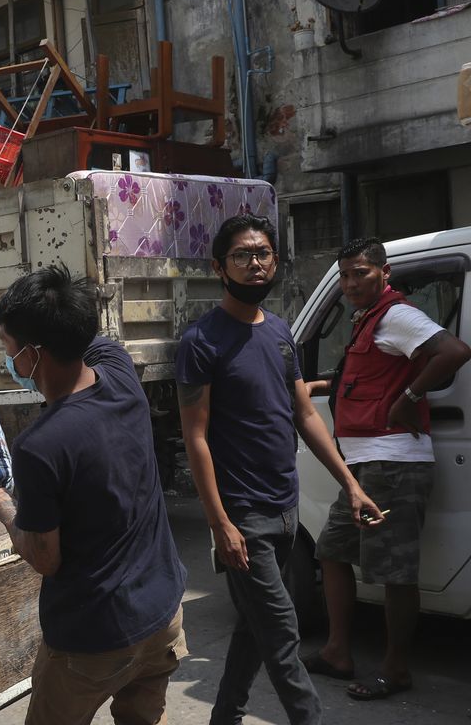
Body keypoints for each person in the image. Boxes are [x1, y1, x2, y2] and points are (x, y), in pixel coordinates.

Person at [0, 227, 187, 725]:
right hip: (163, 616)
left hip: (94, 639)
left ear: (32, 354)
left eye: (7, 344)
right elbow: (40, 324)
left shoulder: (42, 446)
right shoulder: (117, 369)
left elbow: (45, 558)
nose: (6, 352)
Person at [176, 214, 382, 725]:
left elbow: (304, 414)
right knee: (284, 634)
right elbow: (195, 438)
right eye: (242, 255)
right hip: (243, 517)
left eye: (263, 253)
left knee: (254, 625)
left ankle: (224, 716)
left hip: (286, 510)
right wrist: (219, 523)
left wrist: (351, 484)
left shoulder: (282, 333)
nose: (255, 264)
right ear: (219, 267)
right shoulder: (201, 341)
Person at [302, 237, 470, 701]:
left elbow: (454, 351)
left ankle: (396, 670)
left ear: (384, 273)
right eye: (346, 275)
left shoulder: (397, 314)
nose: (352, 283)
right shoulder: (369, 321)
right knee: (331, 550)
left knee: (395, 573)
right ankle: (338, 651)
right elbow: (373, 373)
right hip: (363, 468)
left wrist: (409, 398)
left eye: (361, 273)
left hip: (392, 463)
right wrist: (321, 382)